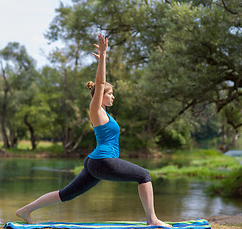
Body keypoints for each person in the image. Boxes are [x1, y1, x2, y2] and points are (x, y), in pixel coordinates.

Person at [16, 34, 171, 227]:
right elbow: (99, 83)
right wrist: (103, 57)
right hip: (103, 161)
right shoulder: (96, 110)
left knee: (66, 194)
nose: (113, 96)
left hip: (95, 161)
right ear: (101, 96)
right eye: (110, 93)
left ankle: (25, 210)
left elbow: (101, 88)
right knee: (144, 176)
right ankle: (152, 220)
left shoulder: (106, 113)